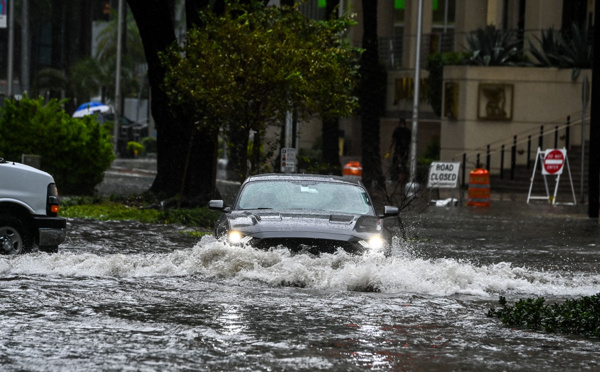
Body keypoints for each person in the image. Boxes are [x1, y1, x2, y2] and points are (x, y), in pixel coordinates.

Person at [389, 118, 411, 183]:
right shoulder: (408, 131)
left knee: (396, 163)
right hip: (405, 150)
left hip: (398, 149)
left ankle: (398, 177)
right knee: (403, 163)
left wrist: (390, 148)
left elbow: (393, 140)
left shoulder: (397, 130)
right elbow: (409, 141)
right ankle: (402, 177)